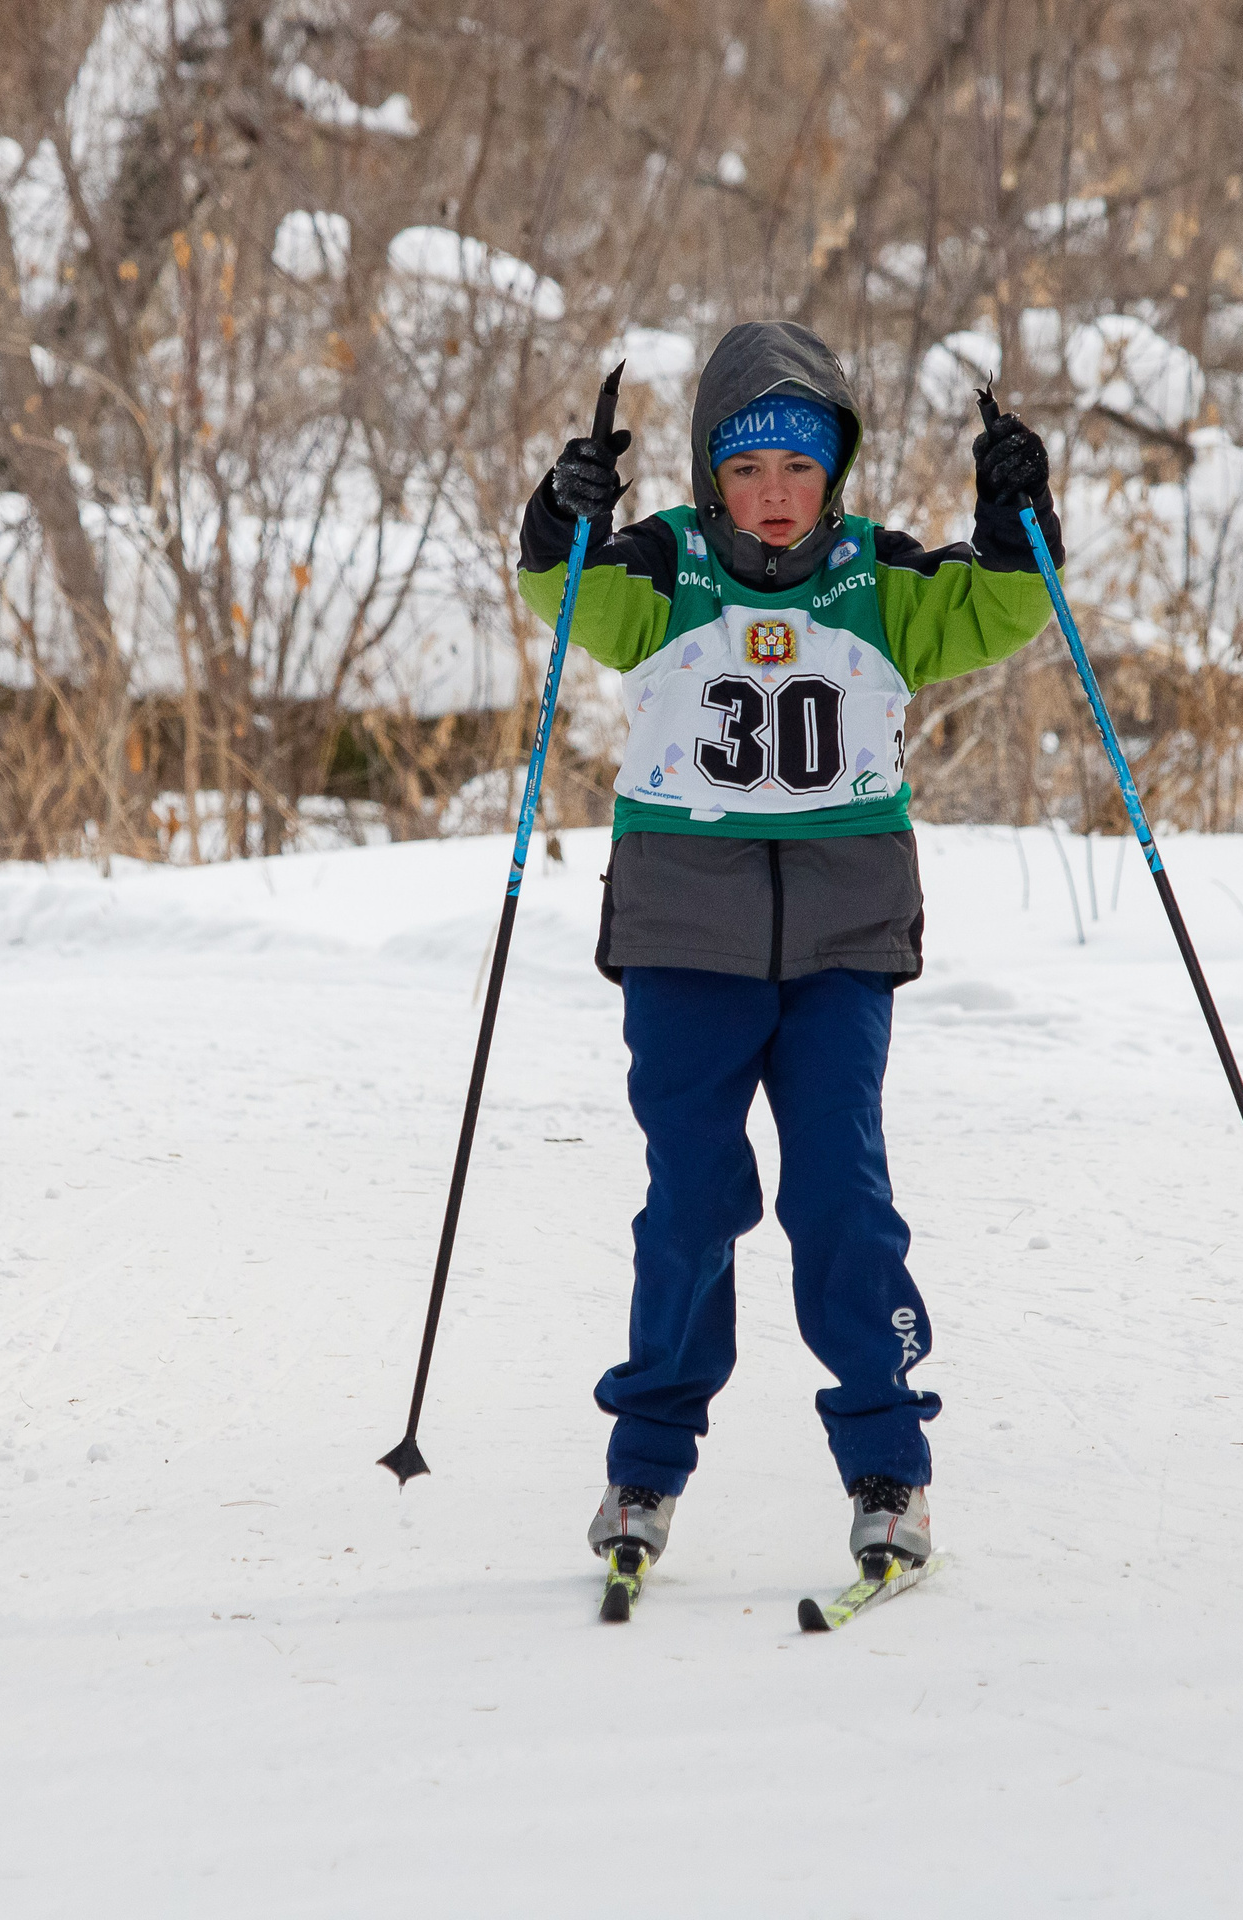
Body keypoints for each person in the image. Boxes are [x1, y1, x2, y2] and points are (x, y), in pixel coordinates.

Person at [516, 319, 1060, 1580]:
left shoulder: (879, 577)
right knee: (693, 1205)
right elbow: (564, 596)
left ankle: (887, 1471)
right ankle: (644, 1471)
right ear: (712, 476)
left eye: (799, 471)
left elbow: (999, 610)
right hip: (680, 936)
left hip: (840, 938)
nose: (774, 497)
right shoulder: (659, 570)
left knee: (839, 1205)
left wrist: (1017, 517)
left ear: (837, 475)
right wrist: (563, 513)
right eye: (749, 472)